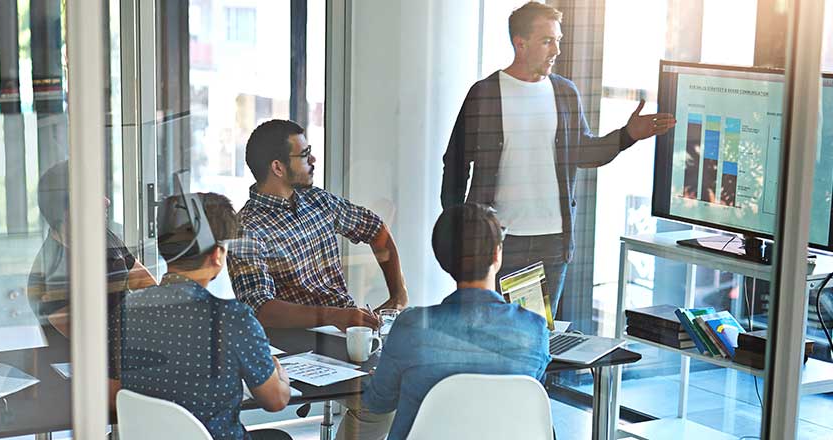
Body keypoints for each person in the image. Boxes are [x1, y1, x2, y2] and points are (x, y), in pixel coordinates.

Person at [441, 2, 675, 318]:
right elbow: (454, 165)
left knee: (538, 339)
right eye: (547, 40)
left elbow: (585, 153)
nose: (557, 50)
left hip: (551, 243)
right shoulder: (484, 95)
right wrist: (458, 228)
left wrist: (626, 135)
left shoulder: (565, 93)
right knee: (486, 333)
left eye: (559, 40)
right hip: (495, 242)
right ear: (520, 43)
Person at [229, 119, 406, 440]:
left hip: (343, 334)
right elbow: (260, 308)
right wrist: (335, 317)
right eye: (305, 154)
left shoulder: (318, 201)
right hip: (292, 345)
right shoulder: (247, 228)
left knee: (397, 390)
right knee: (379, 399)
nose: (313, 160)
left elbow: (376, 231)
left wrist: (399, 294)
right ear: (278, 167)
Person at [362, 203, 552, 440]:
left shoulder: (411, 327)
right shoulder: (533, 330)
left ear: (443, 259)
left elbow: (379, 403)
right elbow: (531, 395)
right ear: (496, 254)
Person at [112, 192, 293, 440]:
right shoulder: (233, 319)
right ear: (217, 255)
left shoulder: (127, 309)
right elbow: (276, 400)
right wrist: (276, 368)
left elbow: (115, 393)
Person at [26, 160, 157, 339]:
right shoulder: (49, 274)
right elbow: (91, 342)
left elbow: (147, 286)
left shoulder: (103, 236)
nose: (106, 201)